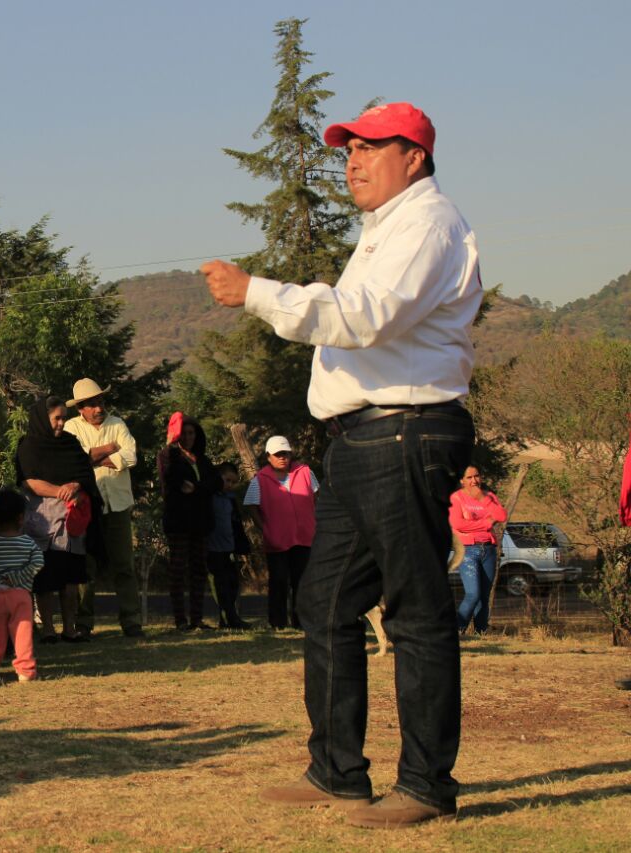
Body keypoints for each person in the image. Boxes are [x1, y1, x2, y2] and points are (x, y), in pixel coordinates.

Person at [204, 102, 481, 827]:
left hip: (405, 430)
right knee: (326, 601)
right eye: (346, 150)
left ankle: (425, 784)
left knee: (416, 611)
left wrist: (256, 292)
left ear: (414, 156)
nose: (352, 161)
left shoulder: (427, 223)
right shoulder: (388, 228)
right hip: (364, 438)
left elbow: (362, 316)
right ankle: (337, 769)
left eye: (369, 148)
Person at [17, 395, 101, 644]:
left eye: (64, 418)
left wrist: (76, 486)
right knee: (44, 579)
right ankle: (48, 630)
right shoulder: (29, 445)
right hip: (41, 521)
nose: (62, 423)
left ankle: (70, 629)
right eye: (57, 418)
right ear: (44, 419)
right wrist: (59, 492)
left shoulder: (71, 444)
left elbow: (85, 473)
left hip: (71, 521)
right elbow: (28, 481)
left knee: (71, 578)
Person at [63, 378, 141, 638]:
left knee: (124, 565)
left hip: (118, 505)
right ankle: (84, 624)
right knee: (87, 567)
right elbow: (77, 458)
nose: (98, 408)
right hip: (87, 507)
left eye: (100, 402)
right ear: (80, 408)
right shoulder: (71, 427)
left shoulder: (117, 423)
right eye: (92, 404)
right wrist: (110, 449)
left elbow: (132, 455)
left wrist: (96, 456)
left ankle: (131, 622)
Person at [243, 436, 318, 630]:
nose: (282, 458)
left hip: (304, 538)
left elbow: (318, 497)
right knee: (278, 581)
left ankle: (301, 622)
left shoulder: (305, 473)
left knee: (302, 581)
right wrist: (264, 528)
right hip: (276, 540)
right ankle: (277, 622)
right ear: (269, 457)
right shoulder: (260, 479)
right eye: (278, 454)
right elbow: (251, 505)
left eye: (285, 453)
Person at [157, 412, 221, 631]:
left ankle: (197, 618)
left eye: (192, 432)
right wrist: (170, 445)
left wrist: (197, 488)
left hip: (201, 523)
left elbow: (217, 482)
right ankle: (180, 620)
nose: (188, 437)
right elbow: (171, 482)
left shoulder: (202, 460)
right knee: (177, 569)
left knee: (199, 570)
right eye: (184, 433)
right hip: (178, 522)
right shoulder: (168, 457)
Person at [0, 488, 46, 683]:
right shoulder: (28, 543)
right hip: (21, 595)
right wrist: (18, 579)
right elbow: (38, 563)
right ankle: (25, 669)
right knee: (22, 633)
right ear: (20, 517)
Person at [449, 465, 506, 635]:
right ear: (461, 480)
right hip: (467, 550)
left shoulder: (488, 497)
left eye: (477, 476)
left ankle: (481, 631)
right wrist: (487, 523)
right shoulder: (457, 498)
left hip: (488, 549)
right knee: (473, 594)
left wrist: (482, 498)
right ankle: (457, 629)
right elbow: (458, 524)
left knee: (483, 595)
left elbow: (501, 516)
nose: (474, 480)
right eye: (469, 477)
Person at [208, 462, 251, 629]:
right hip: (213, 548)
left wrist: (241, 545)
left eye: (234, 482)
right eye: (227, 480)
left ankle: (231, 616)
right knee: (220, 586)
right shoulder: (210, 497)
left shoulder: (231, 499)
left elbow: (236, 523)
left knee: (232, 583)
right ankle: (228, 618)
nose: (230, 485)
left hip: (229, 548)